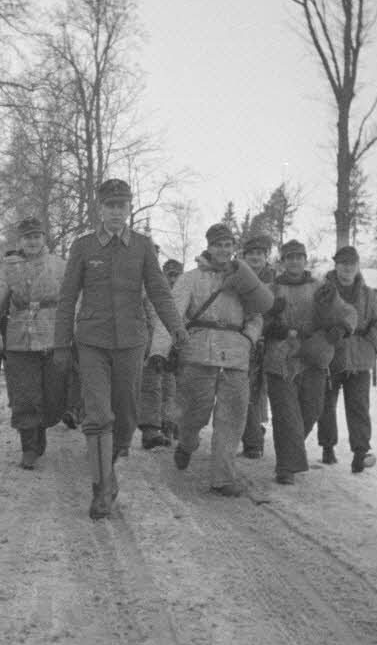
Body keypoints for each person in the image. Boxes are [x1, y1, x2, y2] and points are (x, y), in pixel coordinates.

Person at [55, 178, 189, 520]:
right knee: (98, 414)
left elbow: (159, 292)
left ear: (129, 208)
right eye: (110, 206)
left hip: (131, 341)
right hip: (92, 341)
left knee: (126, 415)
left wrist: (177, 328)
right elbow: (67, 298)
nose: (116, 212)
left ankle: (109, 466)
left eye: (121, 206)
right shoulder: (83, 246)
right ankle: (101, 488)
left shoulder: (142, 246)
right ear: (99, 208)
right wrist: (61, 344)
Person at [150, 223, 273, 496]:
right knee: (195, 412)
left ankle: (223, 478)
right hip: (198, 353)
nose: (223, 250)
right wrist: (159, 350)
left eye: (228, 245)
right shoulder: (191, 279)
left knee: (233, 417)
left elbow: (256, 316)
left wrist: (249, 338)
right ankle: (187, 443)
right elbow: (170, 314)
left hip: (236, 356)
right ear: (208, 246)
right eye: (218, 245)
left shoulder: (244, 278)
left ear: (234, 248)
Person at [0, 217, 68, 469]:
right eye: (27, 237)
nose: (32, 242)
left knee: (52, 395)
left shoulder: (59, 265)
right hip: (20, 341)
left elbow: (72, 302)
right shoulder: (9, 268)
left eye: (36, 236)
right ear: (20, 241)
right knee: (24, 396)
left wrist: (74, 336)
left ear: (44, 238)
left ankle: (40, 428)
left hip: (53, 338)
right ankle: (29, 446)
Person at [260, 240, 358, 484]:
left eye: (298, 257)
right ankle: (286, 467)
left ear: (305, 260)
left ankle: (290, 451)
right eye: (289, 257)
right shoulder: (270, 289)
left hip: (313, 356)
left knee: (312, 410)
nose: (294, 261)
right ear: (282, 261)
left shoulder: (320, 287)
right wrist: (270, 322)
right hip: (280, 357)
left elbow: (348, 312)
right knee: (286, 413)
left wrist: (342, 328)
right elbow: (255, 318)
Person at [319, 245, 377, 473]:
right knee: (326, 405)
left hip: (359, 358)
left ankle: (360, 453)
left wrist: (370, 342)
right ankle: (327, 447)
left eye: (352, 264)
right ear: (336, 266)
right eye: (343, 263)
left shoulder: (368, 294)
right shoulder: (324, 291)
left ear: (357, 266)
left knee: (359, 406)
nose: (347, 268)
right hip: (331, 356)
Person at [136, 257, 185, 449]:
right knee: (151, 387)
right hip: (152, 349)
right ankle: (150, 431)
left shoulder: (185, 294)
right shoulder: (153, 293)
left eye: (176, 275)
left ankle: (169, 426)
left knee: (172, 391)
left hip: (175, 351)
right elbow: (147, 319)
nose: (173, 279)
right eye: (169, 275)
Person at [239, 235, 277, 459]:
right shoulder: (237, 276)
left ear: (266, 257)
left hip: (271, 341)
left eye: (260, 253)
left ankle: (255, 431)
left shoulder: (275, 280)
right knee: (245, 388)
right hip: (244, 338)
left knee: (261, 391)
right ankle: (252, 441)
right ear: (244, 256)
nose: (255, 257)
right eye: (251, 253)